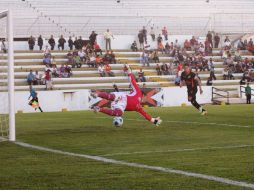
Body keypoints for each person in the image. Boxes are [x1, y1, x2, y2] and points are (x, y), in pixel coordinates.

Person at [91, 65, 162, 126]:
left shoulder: (138, 107)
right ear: (144, 95)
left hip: (121, 106)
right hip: (123, 97)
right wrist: (129, 72)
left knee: (118, 113)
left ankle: (99, 109)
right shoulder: (138, 92)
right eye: (146, 97)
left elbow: (145, 115)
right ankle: (97, 94)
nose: (146, 99)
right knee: (112, 97)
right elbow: (133, 81)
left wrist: (154, 121)